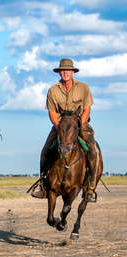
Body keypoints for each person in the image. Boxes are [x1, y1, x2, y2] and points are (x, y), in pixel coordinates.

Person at [31, 58, 99, 202]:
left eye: (68, 70)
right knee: (45, 151)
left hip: (81, 124)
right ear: (59, 72)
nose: (65, 73)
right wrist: (59, 127)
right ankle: (43, 184)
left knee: (93, 150)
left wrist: (81, 124)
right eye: (63, 70)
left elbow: (87, 109)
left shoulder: (84, 87)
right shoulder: (53, 90)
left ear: (73, 72)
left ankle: (90, 187)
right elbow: (52, 112)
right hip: (61, 126)